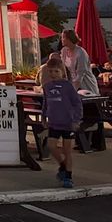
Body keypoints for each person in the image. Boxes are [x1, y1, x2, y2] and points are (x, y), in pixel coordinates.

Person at [42, 58, 83, 188]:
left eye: (56, 71)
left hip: (68, 123)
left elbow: (77, 103)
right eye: (51, 71)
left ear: (62, 72)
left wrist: (76, 119)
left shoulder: (68, 86)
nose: (53, 74)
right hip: (54, 122)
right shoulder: (47, 87)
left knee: (67, 151)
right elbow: (46, 103)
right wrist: (43, 117)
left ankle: (68, 176)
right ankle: (63, 165)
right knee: (51, 146)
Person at [60, 29, 100, 95]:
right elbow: (63, 69)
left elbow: (80, 74)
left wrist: (72, 91)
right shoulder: (64, 51)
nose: (62, 39)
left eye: (63, 37)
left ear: (70, 38)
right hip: (71, 82)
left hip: (85, 82)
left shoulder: (81, 53)